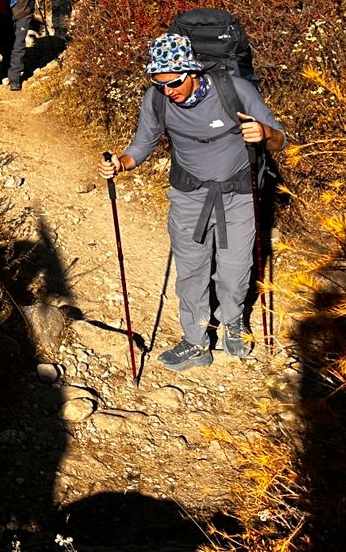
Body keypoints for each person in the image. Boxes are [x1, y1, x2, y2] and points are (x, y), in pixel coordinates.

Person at [95, 34, 285, 370]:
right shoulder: (157, 100)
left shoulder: (235, 90)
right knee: (192, 272)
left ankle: (233, 321)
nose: (168, 91)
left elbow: (279, 137)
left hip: (239, 195)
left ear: (192, 72)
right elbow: (142, 144)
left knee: (234, 271)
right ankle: (196, 341)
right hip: (188, 196)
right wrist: (121, 164)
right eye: (160, 83)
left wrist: (264, 133)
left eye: (174, 82)